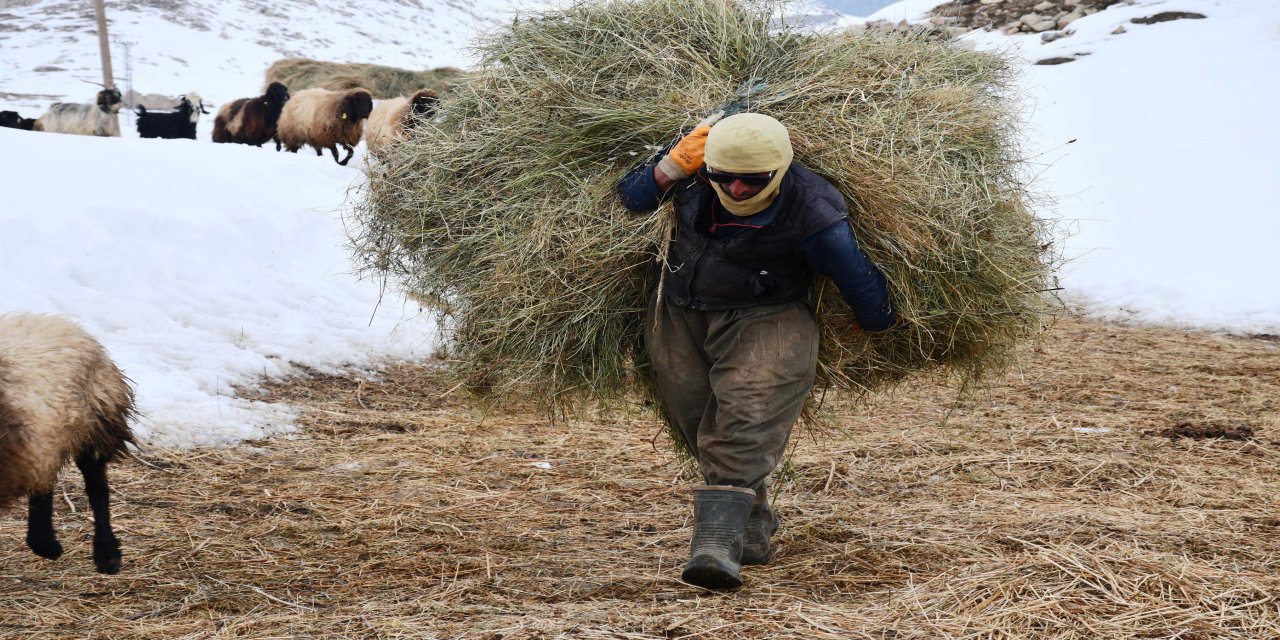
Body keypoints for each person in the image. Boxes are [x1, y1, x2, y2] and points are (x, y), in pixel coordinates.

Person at [617, 112, 896, 590]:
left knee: (745, 417)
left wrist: (875, 322)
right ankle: (752, 529)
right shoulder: (694, 175)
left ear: (780, 170)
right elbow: (633, 198)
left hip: (769, 317)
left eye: (753, 181)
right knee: (700, 423)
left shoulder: (814, 210)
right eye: (724, 178)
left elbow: (856, 277)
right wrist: (669, 167)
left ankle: (715, 547)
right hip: (681, 311)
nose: (738, 190)